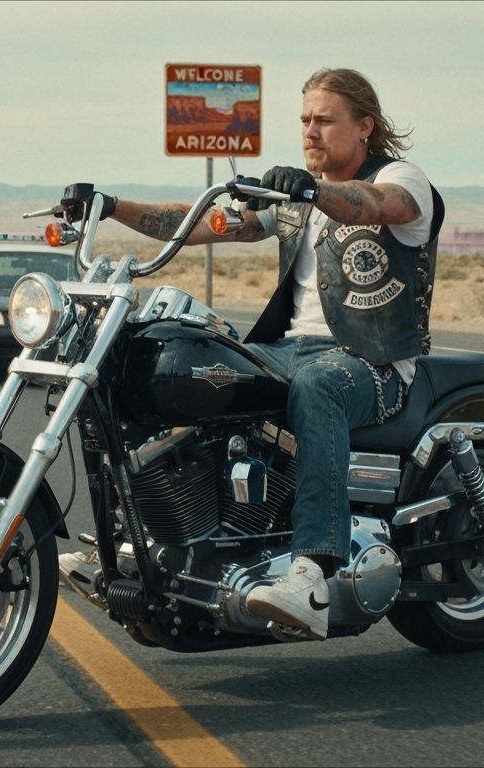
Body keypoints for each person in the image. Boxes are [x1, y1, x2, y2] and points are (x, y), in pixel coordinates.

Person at [102, 67, 444, 640]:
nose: (310, 131)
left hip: (373, 361)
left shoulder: (399, 178)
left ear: (364, 126)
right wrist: (112, 205)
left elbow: (376, 204)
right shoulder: (294, 202)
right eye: (305, 120)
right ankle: (170, 541)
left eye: (325, 120)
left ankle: (311, 574)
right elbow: (194, 226)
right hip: (291, 348)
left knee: (318, 387)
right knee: (186, 368)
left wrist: (315, 190)